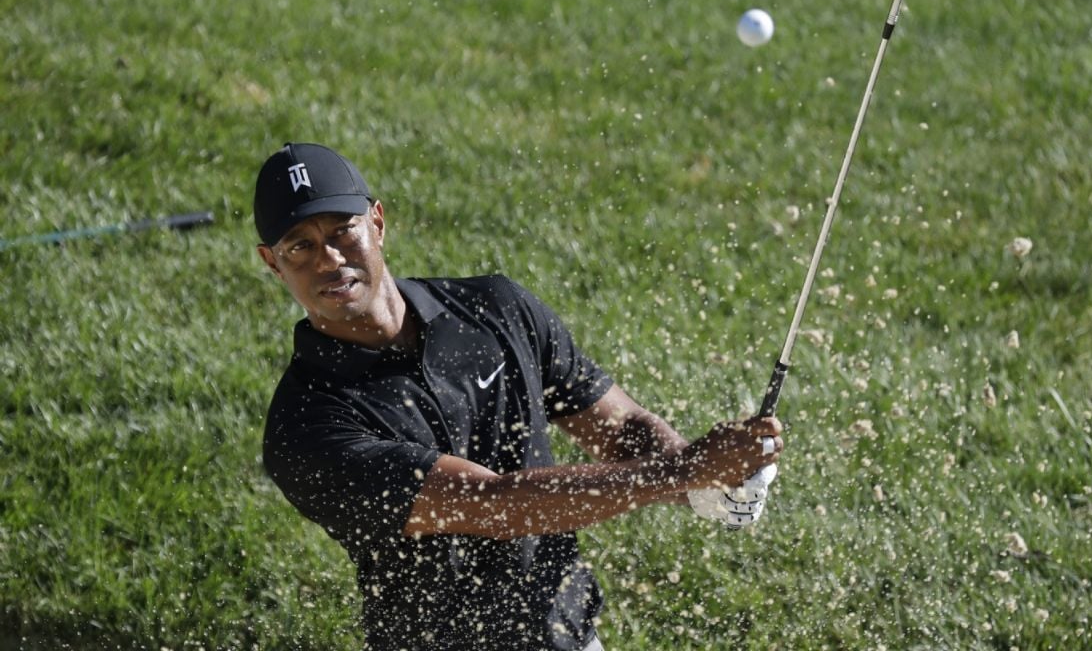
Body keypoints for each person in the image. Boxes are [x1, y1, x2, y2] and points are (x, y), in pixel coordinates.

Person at [253, 142, 783, 651]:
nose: (329, 260)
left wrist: (701, 482)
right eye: (300, 246)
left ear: (378, 222)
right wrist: (685, 473)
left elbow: (617, 425)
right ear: (272, 264)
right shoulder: (306, 427)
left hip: (567, 634)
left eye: (344, 231)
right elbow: (494, 505)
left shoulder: (495, 307)